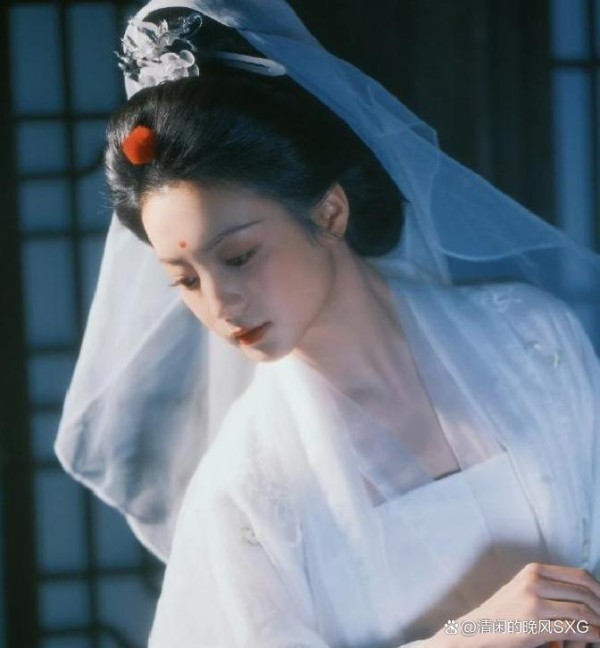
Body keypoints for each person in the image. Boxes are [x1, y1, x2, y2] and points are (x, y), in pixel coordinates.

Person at [55, 1, 600, 647]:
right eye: (187, 280)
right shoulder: (247, 487)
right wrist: (477, 635)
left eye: (239, 256)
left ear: (330, 212)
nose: (221, 303)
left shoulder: (530, 338)